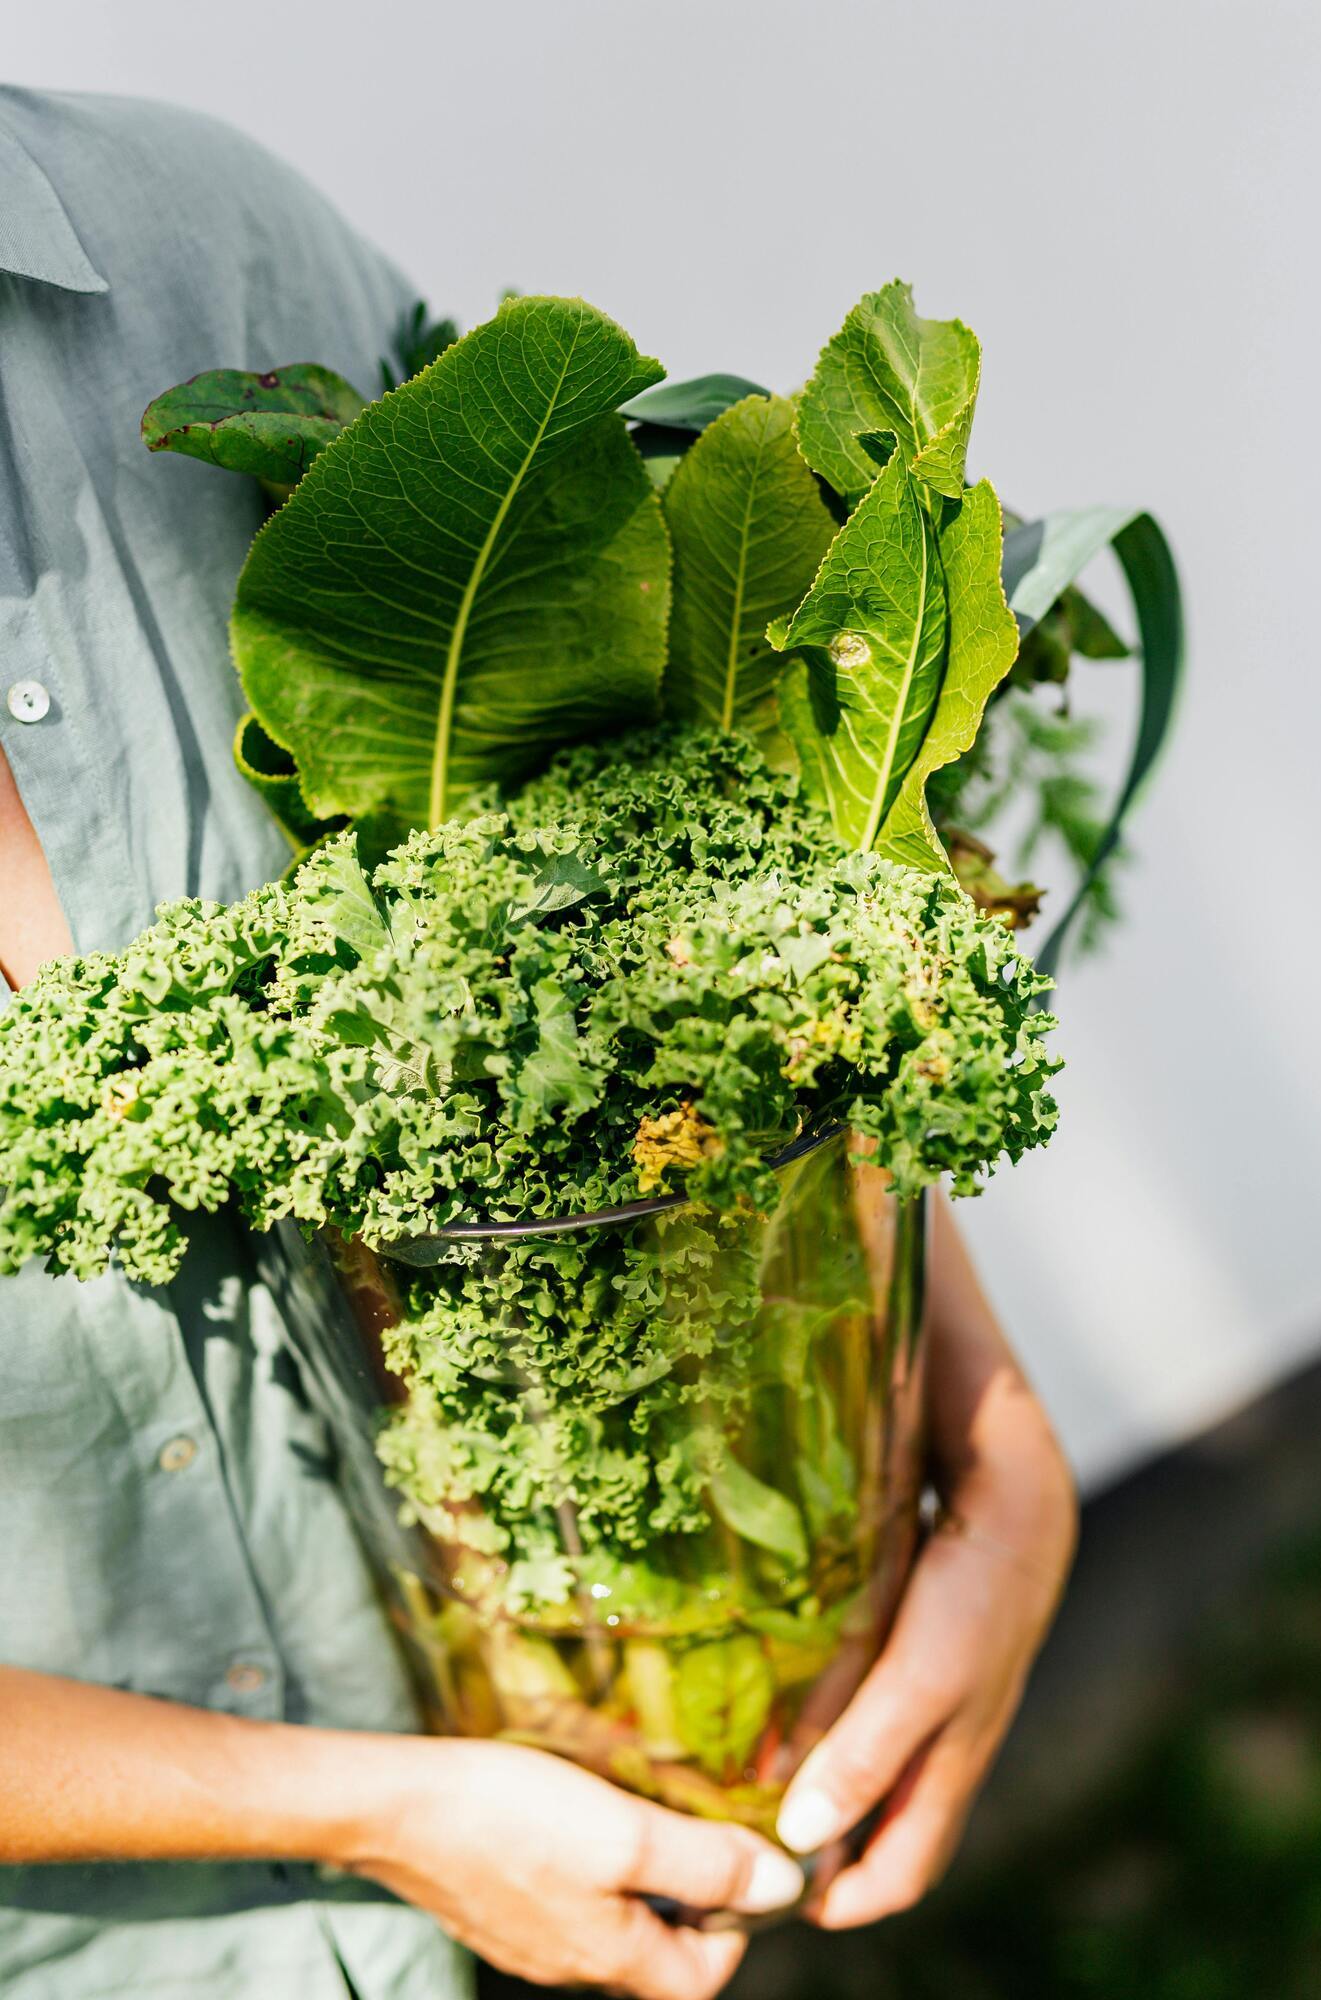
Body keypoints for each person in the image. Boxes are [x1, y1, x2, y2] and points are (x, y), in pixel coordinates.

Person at [0, 84, 1079, 2000]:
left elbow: (680, 820)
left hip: (599, 1774)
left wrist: (971, 1414)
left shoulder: (190, 247)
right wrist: (372, 1810)